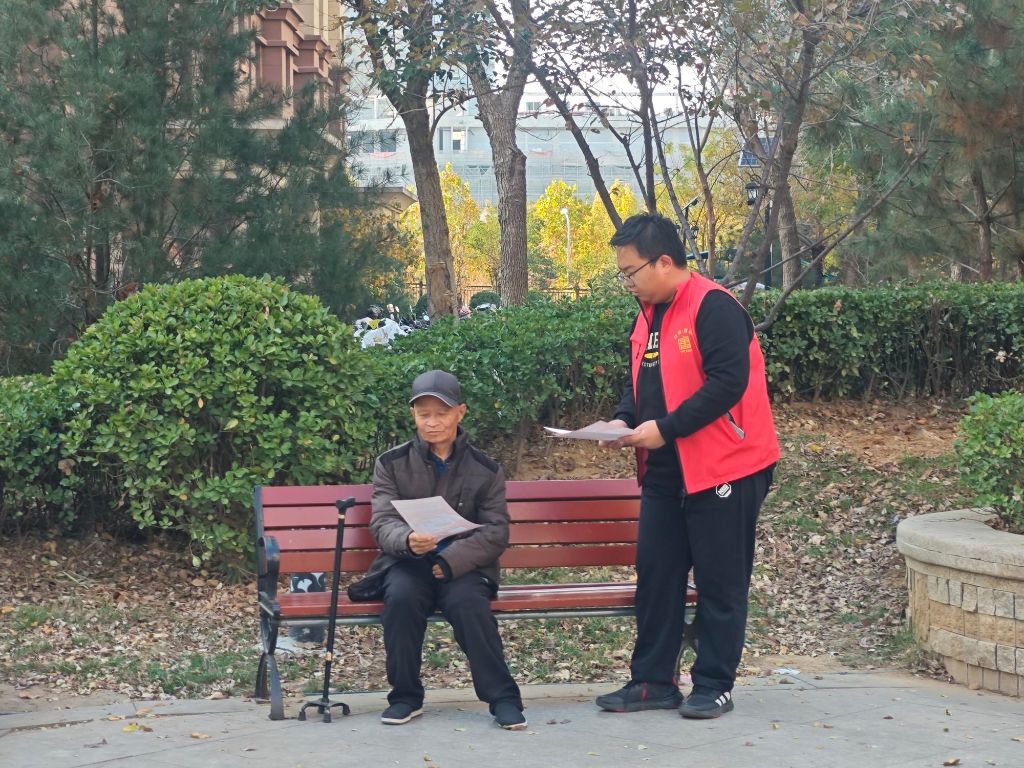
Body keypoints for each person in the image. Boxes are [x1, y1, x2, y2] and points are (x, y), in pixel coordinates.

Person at [595, 213, 780, 719]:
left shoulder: (713, 306)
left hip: (726, 467)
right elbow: (639, 381)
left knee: (720, 581)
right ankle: (653, 682)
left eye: (630, 271)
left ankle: (714, 684)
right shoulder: (647, 314)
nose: (627, 282)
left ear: (664, 262)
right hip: (665, 470)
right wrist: (622, 419)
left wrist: (667, 428)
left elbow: (727, 384)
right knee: (657, 577)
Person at [362, 369, 527, 730]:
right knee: (401, 598)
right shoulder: (391, 463)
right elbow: (383, 521)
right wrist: (407, 540)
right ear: (413, 415)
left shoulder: (485, 469)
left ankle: (503, 699)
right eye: (424, 414)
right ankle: (405, 697)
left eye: (441, 413)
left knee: (470, 604)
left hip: (463, 567)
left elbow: (496, 531)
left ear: (460, 413)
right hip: (409, 561)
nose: (432, 422)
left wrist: (452, 560)